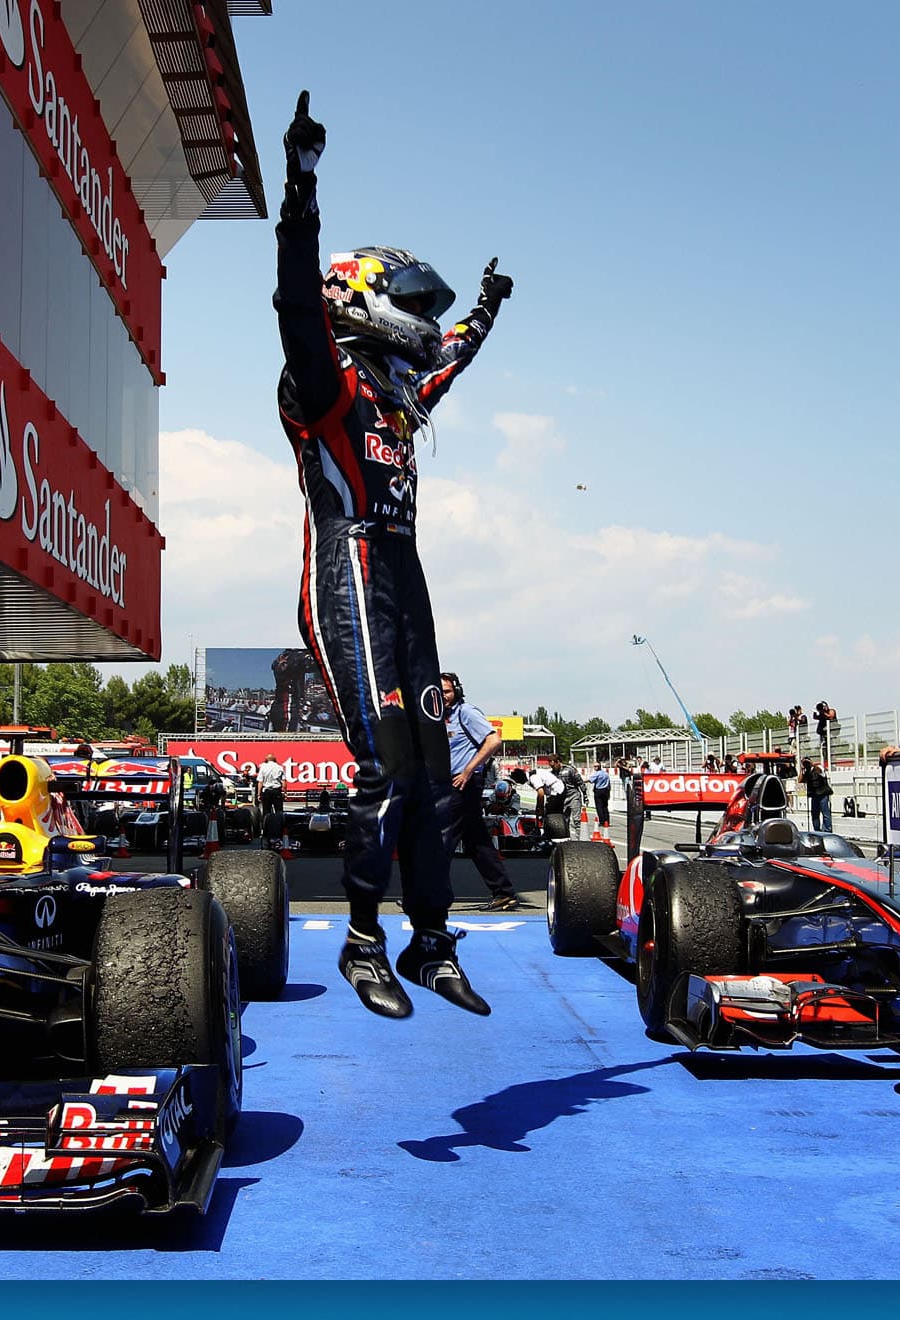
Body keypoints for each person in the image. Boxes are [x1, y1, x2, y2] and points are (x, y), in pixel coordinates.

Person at [274, 91, 513, 1019]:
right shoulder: (325, 386)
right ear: (365, 301)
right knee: (381, 775)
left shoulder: (401, 400)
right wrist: (302, 192)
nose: (422, 321)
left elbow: (448, 359)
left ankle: (434, 943)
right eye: (409, 303)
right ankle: (363, 944)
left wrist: (486, 313)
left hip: (407, 578)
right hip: (350, 574)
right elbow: (297, 300)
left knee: (435, 783)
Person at [440, 672, 518, 912]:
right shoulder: (442, 717)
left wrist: (468, 770)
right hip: (452, 782)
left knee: (442, 837)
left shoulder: (466, 712)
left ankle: (430, 895)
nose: (443, 696)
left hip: (464, 783)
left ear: (457, 692)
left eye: (447, 691)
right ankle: (503, 892)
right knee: (476, 842)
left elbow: (494, 740)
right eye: (439, 692)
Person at [801, 757, 833, 832]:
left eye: (807, 762)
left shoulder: (818, 767)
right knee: (815, 814)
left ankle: (827, 830)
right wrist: (802, 769)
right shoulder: (807, 772)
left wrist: (812, 765)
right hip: (814, 795)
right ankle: (817, 830)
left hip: (823, 794)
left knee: (825, 813)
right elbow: (800, 780)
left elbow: (821, 772)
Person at [590, 761, 612, 828]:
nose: (594, 768)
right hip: (605, 790)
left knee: (599, 806)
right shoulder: (606, 774)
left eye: (595, 766)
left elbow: (591, 780)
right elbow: (609, 783)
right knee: (605, 806)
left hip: (599, 790)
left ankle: (602, 821)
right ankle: (607, 821)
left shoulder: (597, 774)